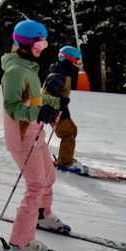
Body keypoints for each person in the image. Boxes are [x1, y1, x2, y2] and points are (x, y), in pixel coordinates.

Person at [0, 19, 65, 251]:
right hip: (22, 139)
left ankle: (42, 215)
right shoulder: (16, 71)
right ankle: (21, 240)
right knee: (36, 185)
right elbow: (13, 108)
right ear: (25, 44)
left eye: (44, 43)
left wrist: (56, 104)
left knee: (48, 176)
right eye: (38, 43)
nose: (42, 48)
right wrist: (39, 112)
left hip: (35, 134)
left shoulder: (28, 67)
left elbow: (34, 99)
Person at [45, 45, 84, 174]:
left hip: (62, 110)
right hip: (55, 112)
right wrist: (58, 102)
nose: (78, 65)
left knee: (72, 131)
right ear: (67, 61)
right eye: (76, 62)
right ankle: (65, 164)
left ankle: (66, 159)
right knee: (68, 134)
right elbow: (45, 97)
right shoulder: (58, 76)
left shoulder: (64, 74)